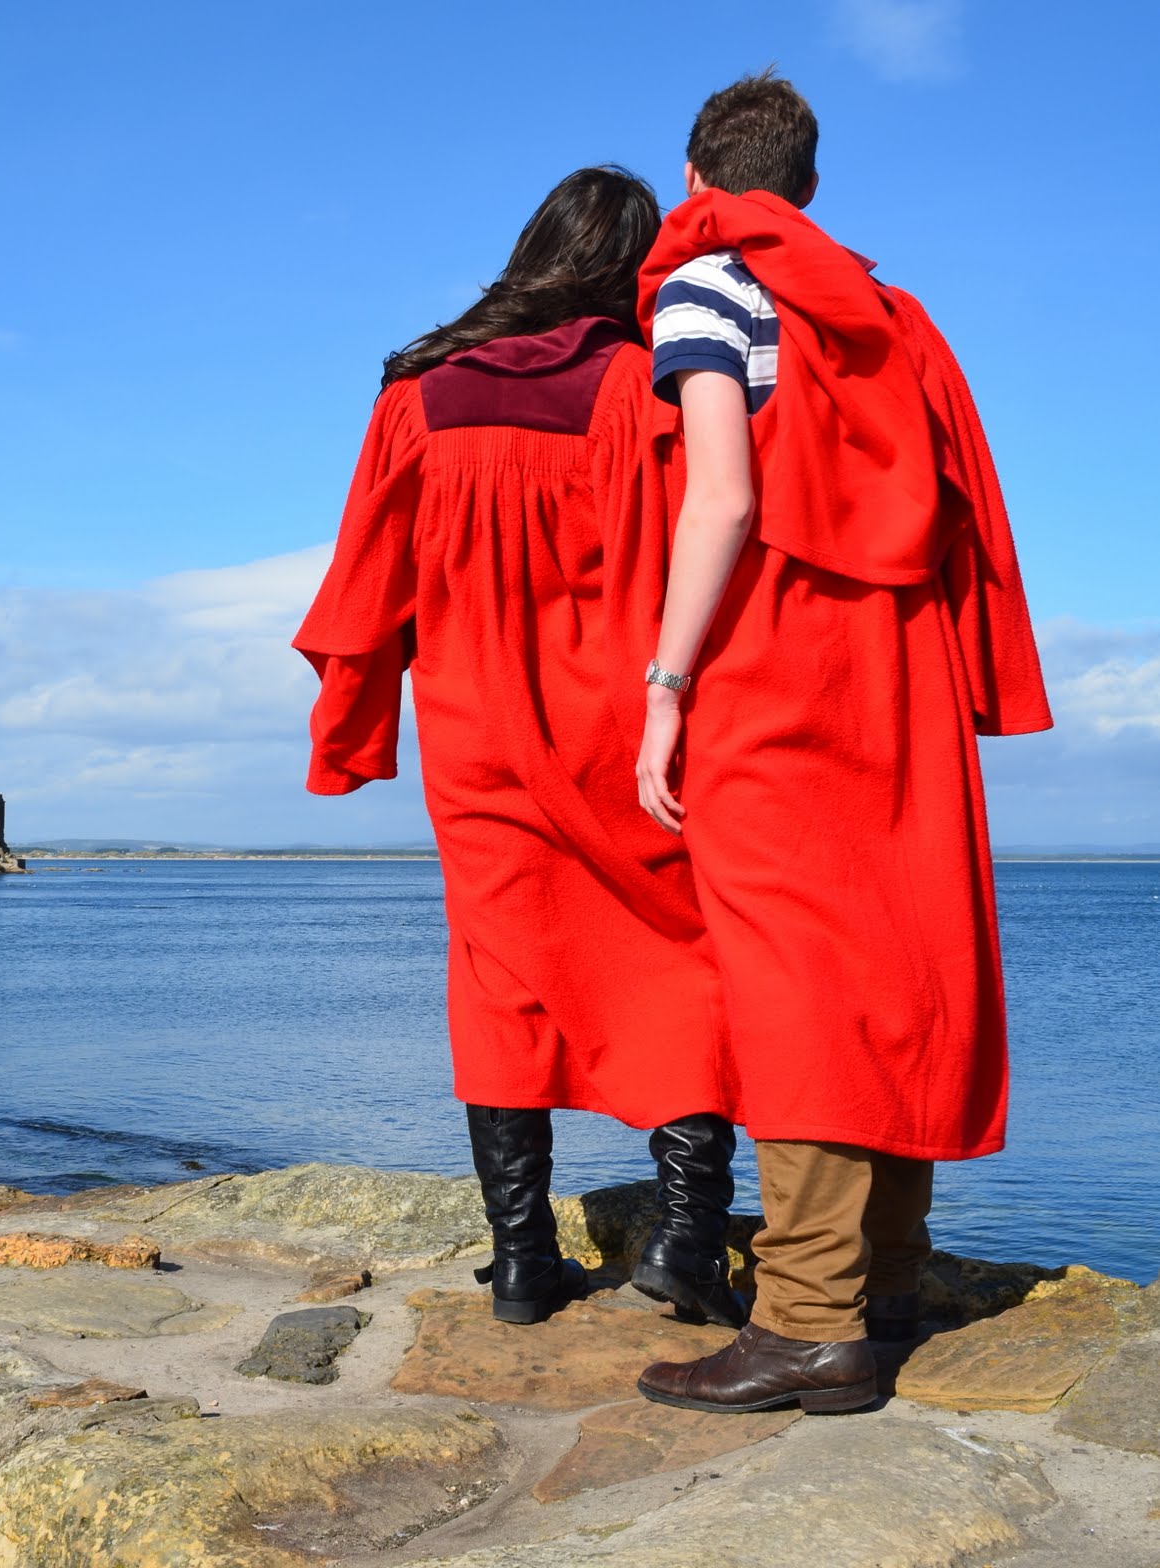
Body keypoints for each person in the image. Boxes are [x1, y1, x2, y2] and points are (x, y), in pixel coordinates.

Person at [630, 73, 1052, 1412]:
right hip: (898, 668)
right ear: (805, 186)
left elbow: (722, 497)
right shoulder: (886, 314)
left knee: (789, 982)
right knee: (879, 958)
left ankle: (806, 1317)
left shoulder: (708, 282)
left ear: (699, 178)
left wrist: (664, 681)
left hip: (777, 663)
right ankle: (885, 1274)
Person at [294, 167, 745, 1328]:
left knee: (497, 979)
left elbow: (362, 580)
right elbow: (687, 555)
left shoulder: (417, 394)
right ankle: (686, 1238)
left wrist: (352, 722)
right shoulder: (637, 390)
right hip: (615, 732)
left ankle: (519, 1261)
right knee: (682, 956)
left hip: (472, 732)